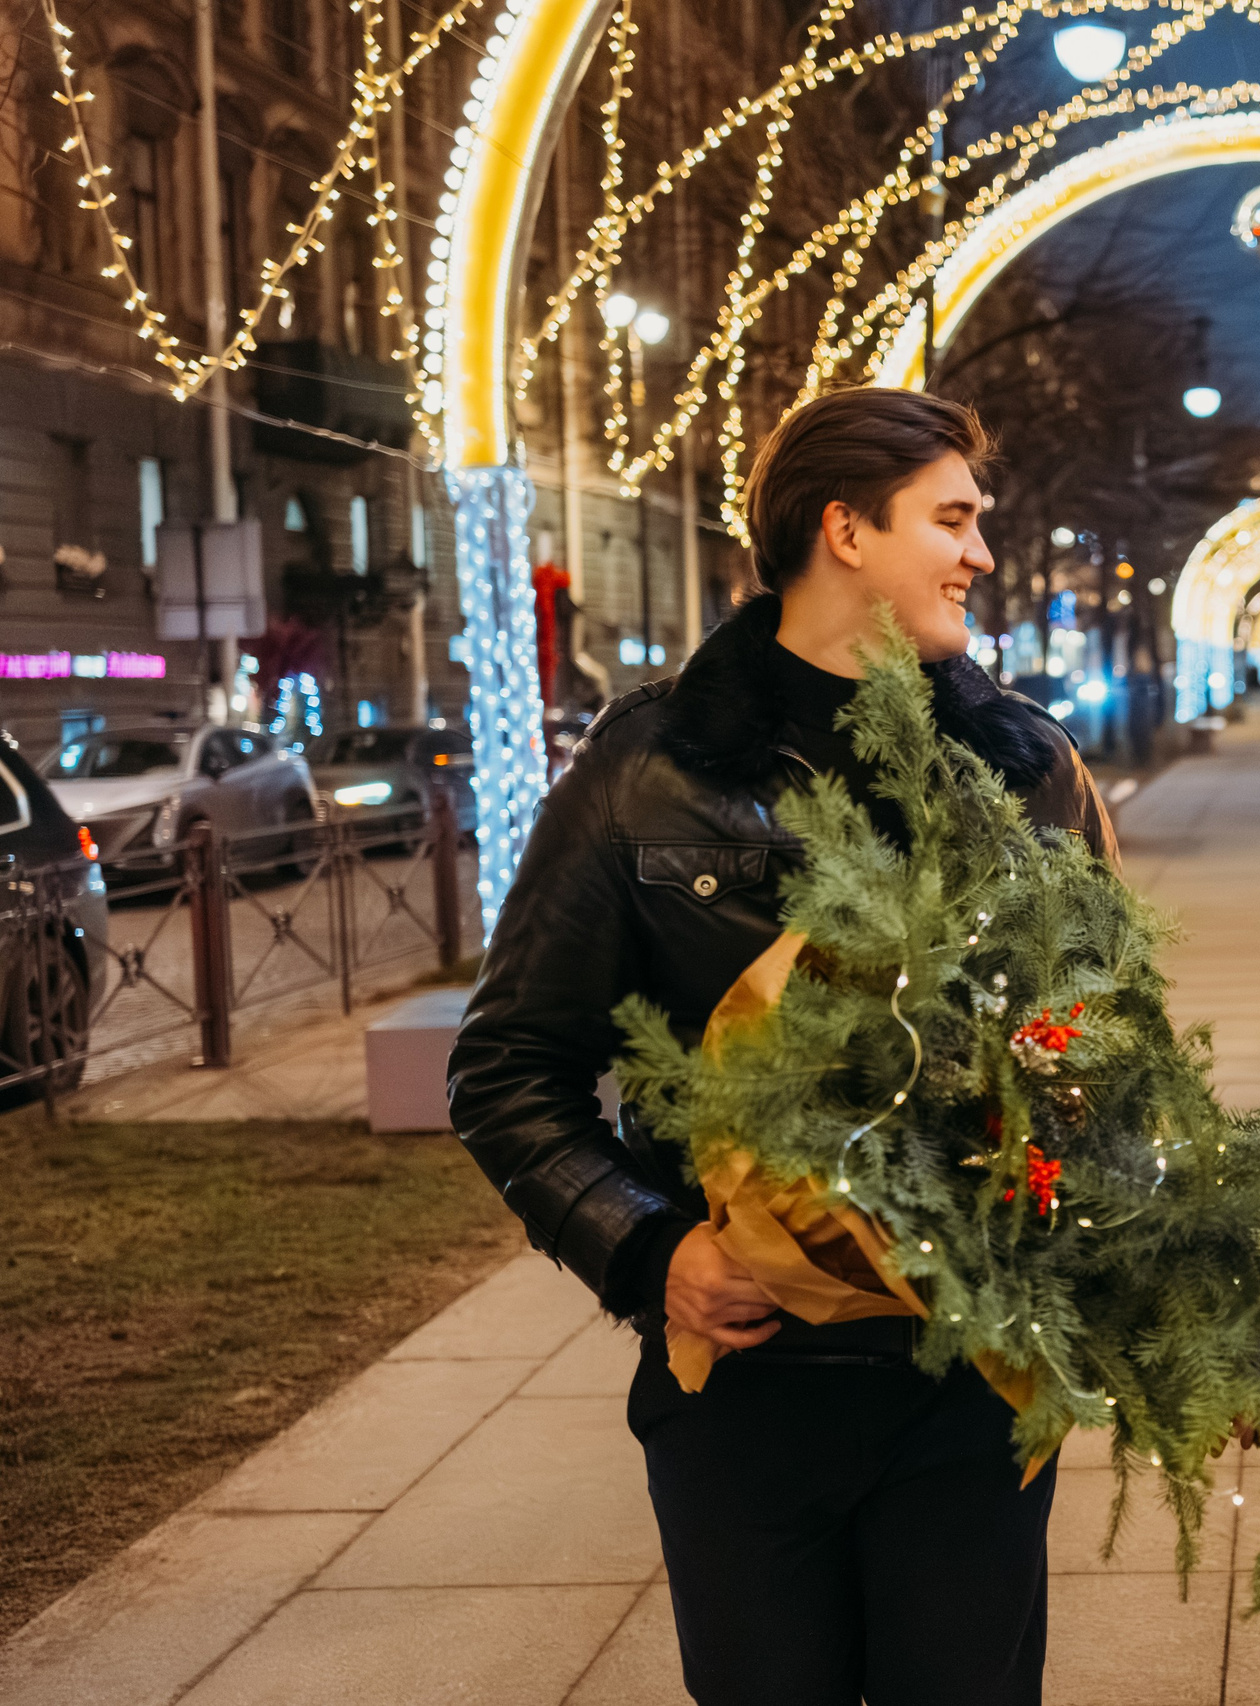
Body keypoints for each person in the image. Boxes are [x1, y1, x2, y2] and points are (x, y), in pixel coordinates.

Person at [448, 388, 1116, 1705]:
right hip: (746, 1390)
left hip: (968, 1392)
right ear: (845, 531)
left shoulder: (1026, 768)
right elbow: (508, 1064)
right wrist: (653, 1250)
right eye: (955, 519)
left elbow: (1100, 1060)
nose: (982, 552)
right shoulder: (648, 771)